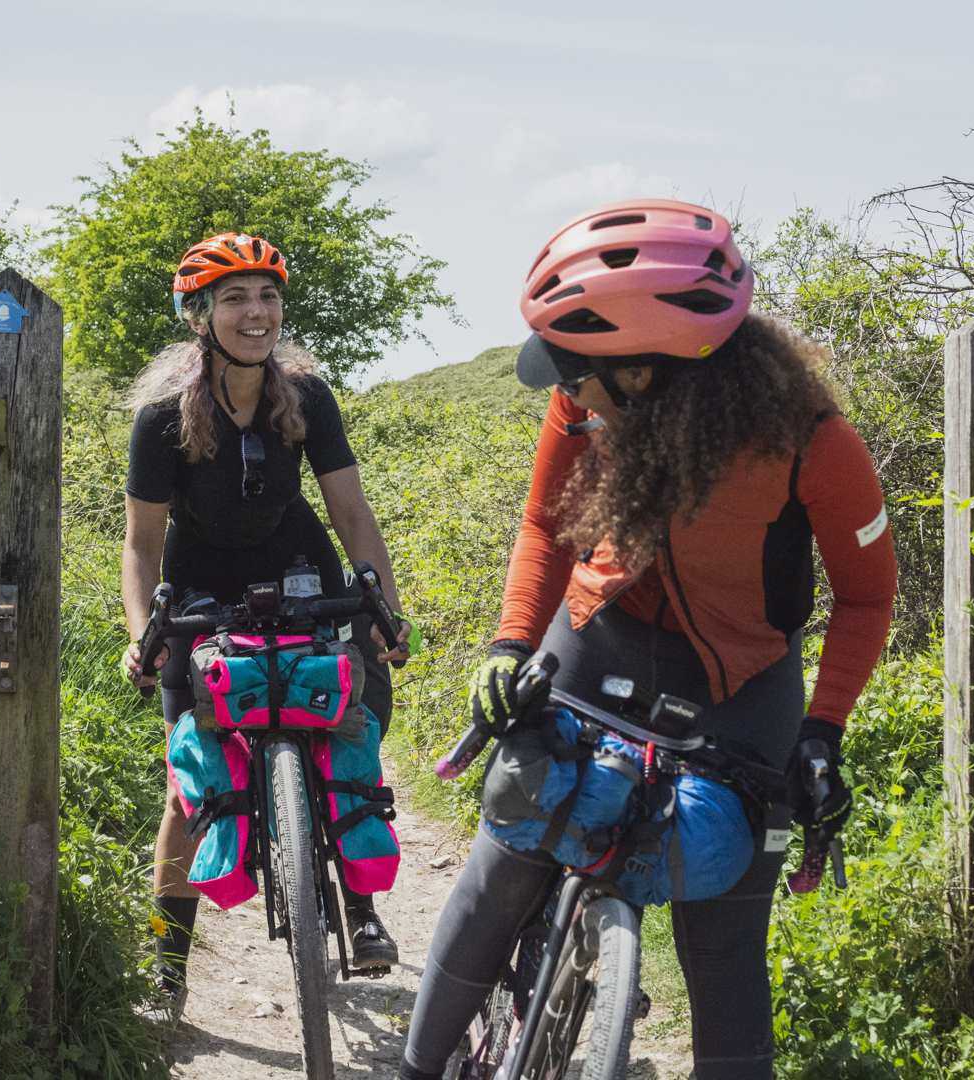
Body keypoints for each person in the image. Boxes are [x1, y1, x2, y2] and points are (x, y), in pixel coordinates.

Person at [397, 199, 896, 1080]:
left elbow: (866, 598)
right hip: (595, 642)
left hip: (744, 684)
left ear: (643, 373)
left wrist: (821, 734)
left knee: (725, 943)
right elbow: (545, 527)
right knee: (505, 870)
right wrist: (512, 646)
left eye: (577, 368)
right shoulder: (584, 405)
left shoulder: (814, 444)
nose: (562, 384)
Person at [121, 232, 415, 1022]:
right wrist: (140, 632)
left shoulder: (308, 399)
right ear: (200, 316)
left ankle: (360, 909)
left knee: (350, 720)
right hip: (198, 587)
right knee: (189, 788)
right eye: (235, 299)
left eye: (268, 297)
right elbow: (143, 547)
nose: (257, 313)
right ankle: (166, 972)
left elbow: (350, 511)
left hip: (300, 566)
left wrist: (381, 607)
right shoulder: (159, 421)